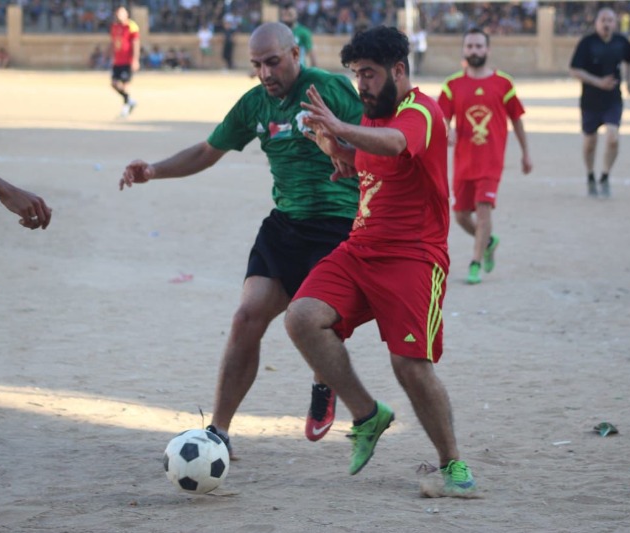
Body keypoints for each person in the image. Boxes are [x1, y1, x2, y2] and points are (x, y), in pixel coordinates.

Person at [118, 22, 363, 453]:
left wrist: (346, 150)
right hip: (285, 225)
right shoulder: (254, 105)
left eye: (272, 62)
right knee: (245, 317)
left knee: (314, 322)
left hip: (337, 224)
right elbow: (206, 151)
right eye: (256, 65)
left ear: (295, 55)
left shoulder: (330, 89)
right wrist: (154, 170)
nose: (265, 74)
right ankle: (219, 431)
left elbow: (374, 140)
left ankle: (324, 382)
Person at [284, 25, 476, 497]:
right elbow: (367, 161)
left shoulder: (421, 113)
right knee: (301, 318)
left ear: (398, 70)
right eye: (355, 76)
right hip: (360, 249)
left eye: (368, 75)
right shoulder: (372, 115)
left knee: (409, 365)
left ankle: (453, 465)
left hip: (413, 258)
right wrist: (336, 149)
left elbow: (393, 144)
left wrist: (339, 126)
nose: (361, 86)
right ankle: (368, 415)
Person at [438, 28, 532, 285]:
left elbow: (517, 120)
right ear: (464, 51)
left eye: (479, 46)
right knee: (460, 215)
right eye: (470, 46)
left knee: (483, 212)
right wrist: (447, 132)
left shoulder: (504, 83)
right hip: (464, 162)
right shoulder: (452, 85)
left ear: (488, 50)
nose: (474, 51)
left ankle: (475, 263)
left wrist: (526, 153)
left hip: (491, 162)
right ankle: (489, 241)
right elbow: (442, 119)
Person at [569, 7, 630, 198]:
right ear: (596, 23)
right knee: (590, 141)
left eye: (610, 20)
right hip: (590, 100)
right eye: (603, 20)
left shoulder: (621, 42)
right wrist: (598, 82)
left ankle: (605, 176)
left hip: (613, 99)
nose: (606, 24)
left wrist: (629, 84)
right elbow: (574, 70)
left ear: (615, 23)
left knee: (613, 137)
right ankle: (591, 175)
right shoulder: (587, 43)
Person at [108, 6, 140, 118]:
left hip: (127, 60)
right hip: (117, 61)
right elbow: (113, 42)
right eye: (117, 13)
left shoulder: (131, 26)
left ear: (126, 14)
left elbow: (135, 43)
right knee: (114, 83)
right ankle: (130, 100)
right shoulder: (114, 26)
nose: (119, 15)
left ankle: (125, 108)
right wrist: (109, 54)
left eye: (121, 13)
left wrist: (135, 59)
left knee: (125, 84)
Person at [280, 3, 316, 68]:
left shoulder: (303, 32)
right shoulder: (278, 32)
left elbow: (311, 54)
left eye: (290, 15)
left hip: (299, 71)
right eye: (284, 15)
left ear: (296, 15)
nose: (286, 18)